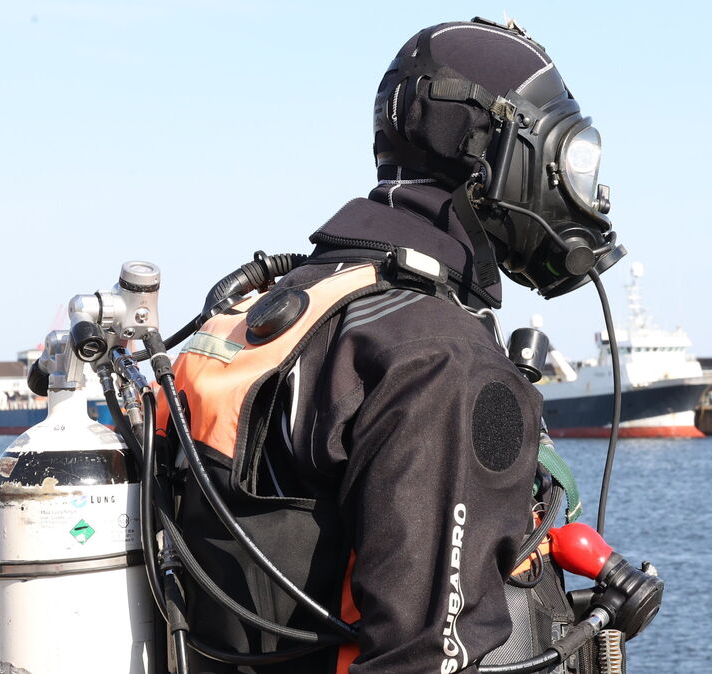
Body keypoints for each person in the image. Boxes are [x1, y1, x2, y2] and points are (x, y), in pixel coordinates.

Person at [166, 17, 622, 674]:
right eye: (572, 161)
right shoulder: (440, 358)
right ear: (499, 158)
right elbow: (424, 656)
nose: (583, 193)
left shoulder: (293, 304)